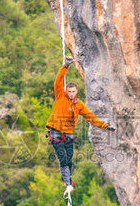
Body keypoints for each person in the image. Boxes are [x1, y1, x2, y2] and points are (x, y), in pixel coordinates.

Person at [46, 56, 115, 195]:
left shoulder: (79, 105)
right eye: (69, 91)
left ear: (76, 92)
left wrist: (104, 126)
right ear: (66, 91)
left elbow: (90, 117)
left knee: (69, 159)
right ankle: (67, 183)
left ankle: (68, 179)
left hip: (68, 133)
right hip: (55, 131)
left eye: (73, 91)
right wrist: (65, 66)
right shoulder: (60, 96)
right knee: (63, 158)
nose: (71, 94)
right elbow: (58, 81)